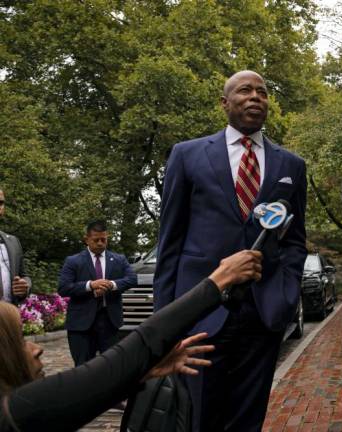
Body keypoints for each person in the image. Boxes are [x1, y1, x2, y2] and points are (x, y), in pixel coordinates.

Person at [153, 70, 307, 431]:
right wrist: (165, 323)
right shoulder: (187, 155)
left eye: (262, 92)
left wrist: (286, 293)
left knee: (247, 419)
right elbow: (170, 242)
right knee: (198, 417)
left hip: (262, 312)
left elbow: (295, 240)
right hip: (201, 312)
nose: (255, 97)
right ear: (225, 103)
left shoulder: (291, 165)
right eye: (245, 90)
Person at [0, 249, 263, 432]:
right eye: (19, 342)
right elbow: (122, 359)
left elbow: (88, 395)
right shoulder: (14, 413)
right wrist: (219, 280)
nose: (37, 348)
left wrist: (141, 372)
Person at [58, 220, 137, 366]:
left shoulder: (119, 259)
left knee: (112, 367)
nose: (100, 243)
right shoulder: (73, 261)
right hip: (81, 325)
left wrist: (111, 285)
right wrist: (90, 285)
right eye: (96, 240)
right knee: (82, 369)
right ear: (86, 239)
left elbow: (132, 279)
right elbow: (63, 288)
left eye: (104, 239)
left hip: (110, 322)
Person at [0, 188, 31, 304]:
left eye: (1, 203)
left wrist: (25, 286)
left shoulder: (13, 241)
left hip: (9, 316)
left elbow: (24, 276)